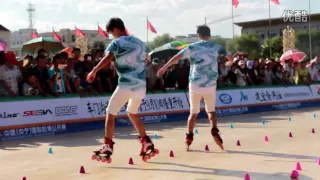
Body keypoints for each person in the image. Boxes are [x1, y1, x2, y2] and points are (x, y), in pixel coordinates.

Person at [86, 17, 159, 163]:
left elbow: (108, 58)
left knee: (110, 113)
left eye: (111, 33)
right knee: (132, 112)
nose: (112, 36)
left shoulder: (117, 43)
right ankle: (146, 142)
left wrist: (94, 70)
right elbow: (147, 59)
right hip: (140, 86)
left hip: (126, 84)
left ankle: (107, 145)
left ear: (114, 29)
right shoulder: (139, 42)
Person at [157, 25, 231, 151]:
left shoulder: (192, 47)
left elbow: (177, 58)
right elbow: (229, 56)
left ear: (198, 35)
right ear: (209, 35)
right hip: (210, 84)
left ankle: (189, 137)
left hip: (195, 84)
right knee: (211, 111)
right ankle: (214, 129)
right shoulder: (216, 47)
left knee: (193, 113)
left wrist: (164, 68)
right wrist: (230, 62)